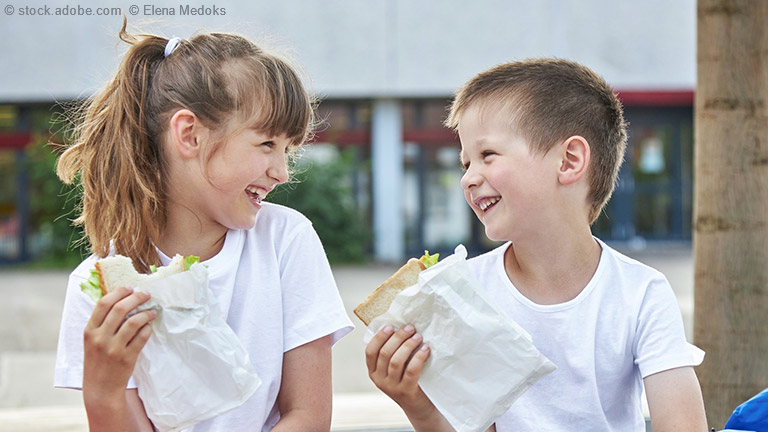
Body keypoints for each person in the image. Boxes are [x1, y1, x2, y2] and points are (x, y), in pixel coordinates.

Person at [364, 58, 707, 431]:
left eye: (487, 155)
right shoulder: (463, 291)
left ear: (569, 161)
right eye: (465, 164)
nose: (467, 179)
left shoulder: (641, 293)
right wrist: (420, 407)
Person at [54, 20, 353, 431]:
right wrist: (102, 393)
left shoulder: (286, 240)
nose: (282, 171)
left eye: (288, 150)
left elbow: (308, 416)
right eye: (267, 144)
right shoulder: (100, 290)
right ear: (189, 134)